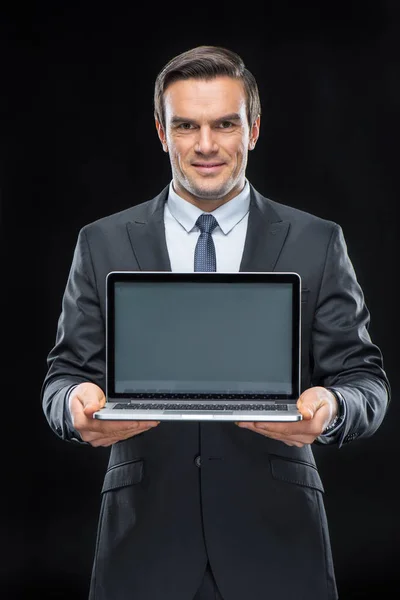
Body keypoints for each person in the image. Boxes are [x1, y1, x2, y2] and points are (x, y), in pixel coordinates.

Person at [42, 45, 390, 600]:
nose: (206, 145)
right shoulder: (102, 241)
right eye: (187, 126)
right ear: (162, 131)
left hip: (277, 542)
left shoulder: (316, 241)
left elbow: (365, 381)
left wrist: (333, 408)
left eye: (225, 124)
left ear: (252, 129)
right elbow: (63, 375)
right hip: (143, 541)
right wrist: (72, 402)